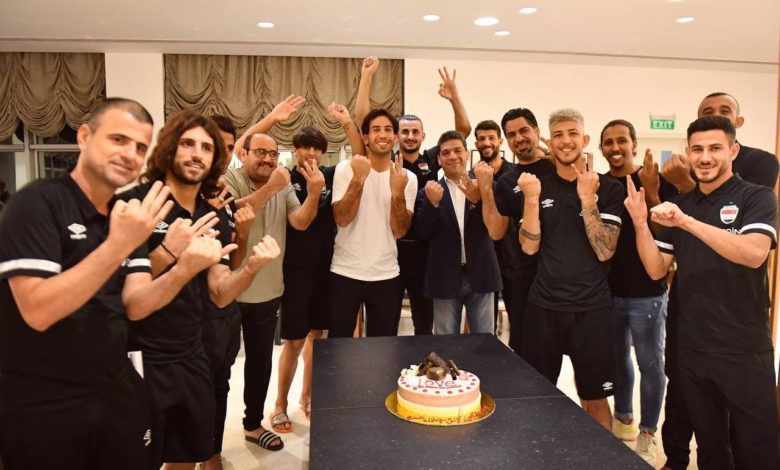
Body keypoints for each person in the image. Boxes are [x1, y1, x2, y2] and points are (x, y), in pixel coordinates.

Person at [0, 98, 216, 470]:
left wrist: (184, 269)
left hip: (115, 386)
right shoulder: (36, 203)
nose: (129, 154)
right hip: (45, 400)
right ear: (85, 136)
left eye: (139, 147)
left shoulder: (125, 214)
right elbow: (37, 310)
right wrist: (119, 245)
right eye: (118, 139)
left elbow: (136, 304)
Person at [122, 109, 281, 468]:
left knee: (186, 457)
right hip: (140, 357)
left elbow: (220, 293)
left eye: (206, 148)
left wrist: (251, 267)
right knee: (136, 458)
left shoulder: (213, 213)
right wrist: (171, 256)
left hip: (193, 353)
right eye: (187, 144)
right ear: (168, 148)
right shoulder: (137, 203)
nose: (197, 154)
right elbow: (130, 301)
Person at [625, 115, 780, 470]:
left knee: (758, 451)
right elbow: (656, 269)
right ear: (688, 152)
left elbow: (754, 253)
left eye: (715, 148)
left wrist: (686, 221)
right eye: (697, 149)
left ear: (733, 151)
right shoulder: (683, 204)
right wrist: (640, 223)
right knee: (710, 450)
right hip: (694, 349)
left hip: (744, 348)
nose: (705, 157)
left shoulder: (756, 197)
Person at [222, 100, 322, 450]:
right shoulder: (231, 179)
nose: (267, 159)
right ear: (244, 154)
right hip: (228, 291)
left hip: (268, 291)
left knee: (259, 365)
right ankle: (208, 443)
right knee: (219, 370)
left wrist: (313, 194)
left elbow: (300, 221)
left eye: (272, 154)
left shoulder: (284, 183)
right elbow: (230, 213)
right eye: (260, 152)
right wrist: (272, 187)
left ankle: (253, 424)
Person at [519, 108, 623, 430]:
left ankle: (600, 457)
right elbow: (529, 246)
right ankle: (537, 455)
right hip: (544, 307)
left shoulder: (608, 188)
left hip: (591, 309)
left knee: (595, 399)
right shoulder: (539, 187)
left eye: (573, 133)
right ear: (550, 143)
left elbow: (605, 250)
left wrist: (587, 199)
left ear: (585, 139)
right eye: (559, 135)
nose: (566, 141)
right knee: (536, 397)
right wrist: (531, 200)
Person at [356, 57, 471, 335]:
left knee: (424, 321)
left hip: (425, 252)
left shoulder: (431, 159)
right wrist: (366, 78)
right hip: (391, 249)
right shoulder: (386, 159)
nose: (409, 136)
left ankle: (424, 362)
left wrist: (454, 98)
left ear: (423, 136)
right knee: (387, 320)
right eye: (404, 131)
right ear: (396, 136)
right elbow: (363, 123)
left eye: (415, 132)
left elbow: (463, 132)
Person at [270, 104, 364, 434]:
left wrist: (348, 122)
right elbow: (299, 222)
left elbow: (359, 157)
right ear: (294, 150)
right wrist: (312, 192)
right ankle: (280, 404)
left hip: (328, 269)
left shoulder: (331, 176)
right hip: (295, 271)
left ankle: (308, 398)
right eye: (304, 147)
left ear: (323, 152)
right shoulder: (284, 178)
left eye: (316, 148)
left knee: (317, 337)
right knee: (294, 340)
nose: (310, 153)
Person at [599, 119, 669, 463]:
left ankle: (648, 432)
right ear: (601, 148)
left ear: (634, 144)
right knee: (617, 358)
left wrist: (652, 194)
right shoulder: (598, 185)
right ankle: (623, 417)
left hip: (648, 292)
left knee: (650, 363)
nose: (615, 148)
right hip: (608, 292)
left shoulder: (654, 180)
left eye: (621, 141)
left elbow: (667, 234)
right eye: (608, 142)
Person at [328, 108, 417, 338]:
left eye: (388, 130)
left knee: (382, 348)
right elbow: (342, 218)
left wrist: (397, 193)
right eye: (376, 129)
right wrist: (359, 179)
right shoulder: (345, 169)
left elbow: (400, 230)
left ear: (395, 137)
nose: (383, 134)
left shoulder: (407, 178)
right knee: (339, 346)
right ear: (365, 137)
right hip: (345, 271)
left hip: (386, 274)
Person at [199, 114, 255, 470]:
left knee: (220, 386)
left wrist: (244, 235)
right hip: (180, 319)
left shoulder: (225, 197)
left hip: (220, 314)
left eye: (228, 147)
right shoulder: (175, 195)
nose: (221, 154)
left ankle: (212, 455)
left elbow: (232, 260)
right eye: (213, 145)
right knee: (187, 393)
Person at [476, 110, 555, 352]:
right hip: (522, 277)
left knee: (562, 347)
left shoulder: (557, 168)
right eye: (512, 134)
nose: (518, 138)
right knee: (524, 348)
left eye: (524, 131)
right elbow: (496, 231)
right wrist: (485, 188)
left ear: (537, 131)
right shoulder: (508, 181)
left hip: (561, 276)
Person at [414, 130, 501, 334]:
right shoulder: (428, 191)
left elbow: (496, 228)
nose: (452, 156)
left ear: (467, 154)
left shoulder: (487, 186)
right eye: (446, 153)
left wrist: (478, 200)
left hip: (482, 272)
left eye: (457, 151)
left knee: (484, 340)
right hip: (444, 277)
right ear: (439, 159)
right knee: (444, 341)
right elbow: (422, 233)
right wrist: (432, 204)